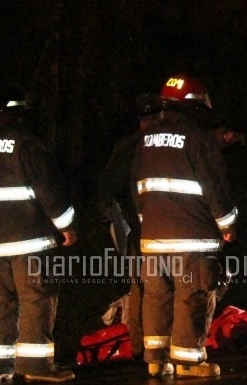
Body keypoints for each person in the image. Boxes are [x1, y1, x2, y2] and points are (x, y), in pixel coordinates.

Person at [0, 84, 78, 384]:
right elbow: (49, 189)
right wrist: (67, 227)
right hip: (31, 241)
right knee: (37, 297)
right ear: (18, 115)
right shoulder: (28, 146)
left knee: (0, 302)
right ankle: (35, 366)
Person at [132, 74, 237, 377]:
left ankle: (157, 359)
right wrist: (228, 224)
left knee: (156, 297)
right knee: (193, 294)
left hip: (153, 236)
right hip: (192, 237)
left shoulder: (145, 140)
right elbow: (214, 188)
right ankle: (189, 360)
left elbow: (137, 188)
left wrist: (146, 222)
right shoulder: (198, 139)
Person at [98, 92, 163, 363]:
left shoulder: (127, 146)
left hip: (137, 229)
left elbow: (106, 189)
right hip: (162, 227)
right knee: (160, 289)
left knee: (140, 288)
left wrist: (116, 219)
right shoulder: (162, 145)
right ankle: (158, 349)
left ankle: (139, 347)